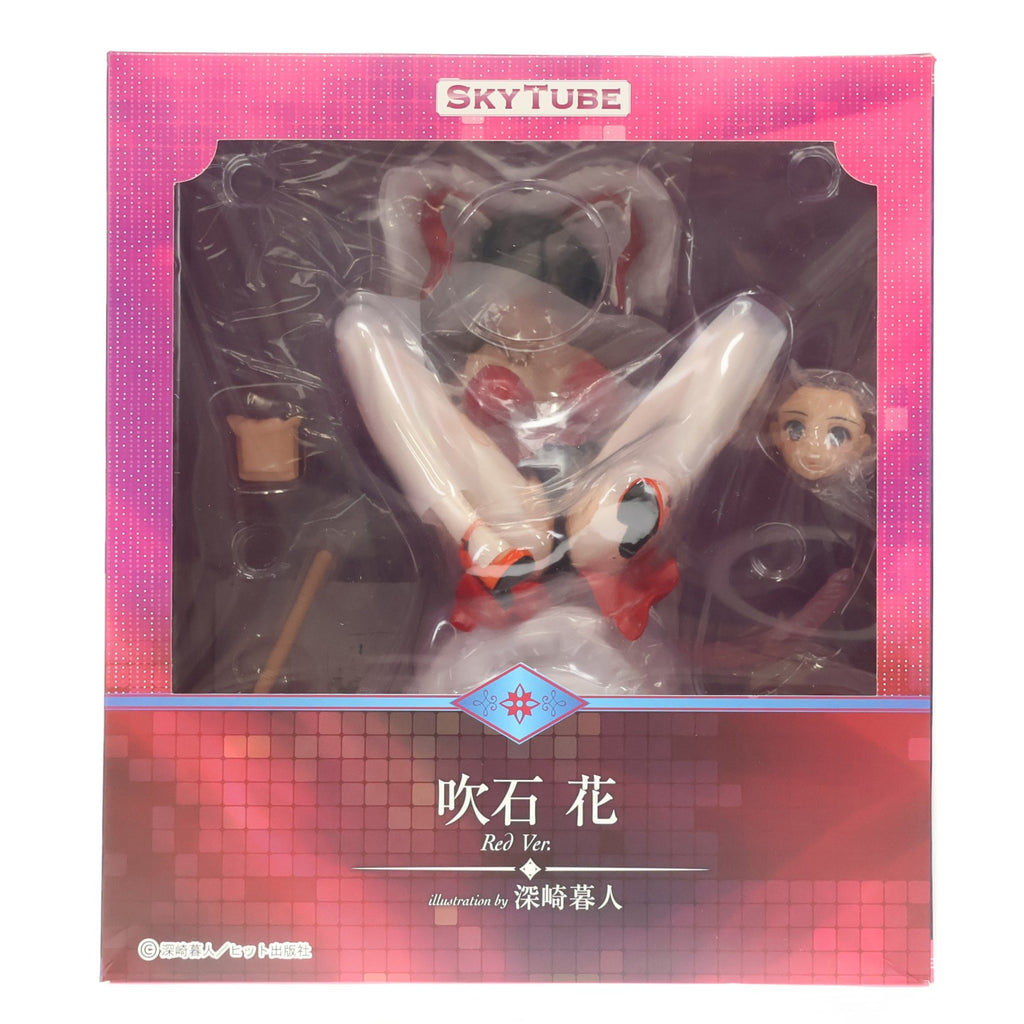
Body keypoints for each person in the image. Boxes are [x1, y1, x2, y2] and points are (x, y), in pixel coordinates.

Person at [335, 163, 789, 639]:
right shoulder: (467, 363)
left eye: (550, 297)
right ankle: (473, 536)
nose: (529, 314)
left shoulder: (611, 356)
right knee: (359, 329)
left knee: (752, 327)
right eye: (511, 296)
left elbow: (657, 416)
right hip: (506, 520)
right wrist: (451, 419)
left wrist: (643, 451)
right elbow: (436, 430)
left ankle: (652, 489)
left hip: (602, 509)